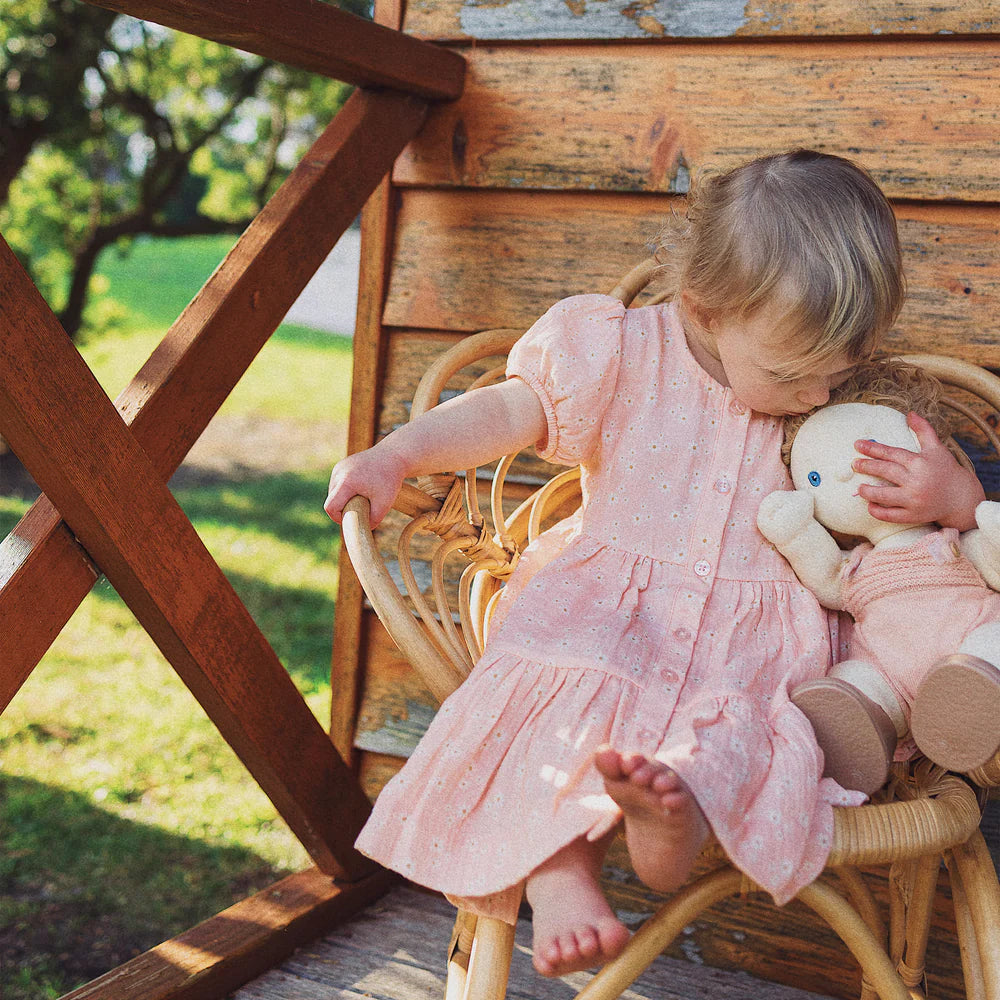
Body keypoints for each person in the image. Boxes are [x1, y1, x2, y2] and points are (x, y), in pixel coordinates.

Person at [324, 149, 979, 978]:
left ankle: (675, 816)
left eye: (837, 375)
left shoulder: (843, 406)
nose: (819, 397)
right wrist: (397, 455)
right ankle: (561, 874)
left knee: (744, 722)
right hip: (605, 611)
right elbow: (507, 412)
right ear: (705, 308)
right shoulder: (617, 350)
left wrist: (947, 494)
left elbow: (914, 534)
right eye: (793, 374)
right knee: (557, 698)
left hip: (753, 640)